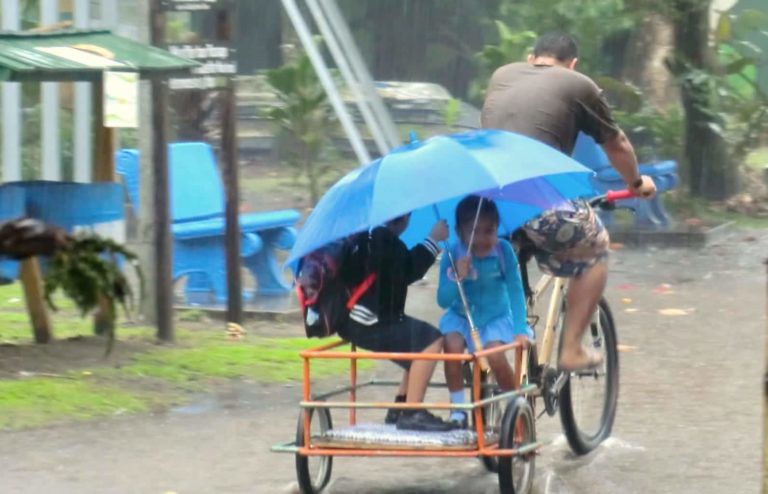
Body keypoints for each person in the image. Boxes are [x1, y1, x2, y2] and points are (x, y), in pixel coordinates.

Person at [481, 32, 657, 371]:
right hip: (538, 200)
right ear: (572, 64)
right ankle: (572, 348)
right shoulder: (578, 84)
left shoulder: (502, 76)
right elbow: (616, 143)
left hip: (488, 205)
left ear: (532, 59)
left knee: (502, 261)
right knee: (596, 247)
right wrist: (635, 183)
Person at [340, 213, 453, 432]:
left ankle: (399, 407)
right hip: (369, 321)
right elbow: (409, 269)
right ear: (402, 219)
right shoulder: (383, 239)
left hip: (354, 319)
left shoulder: (367, 237)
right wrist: (433, 239)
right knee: (431, 340)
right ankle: (412, 413)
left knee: (416, 341)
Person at [437, 196, 532, 428]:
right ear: (459, 232)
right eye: (473, 232)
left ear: (498, 229)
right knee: (452, 346)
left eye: (489, 231)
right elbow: (443, 300)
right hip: (461, 318)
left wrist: (520, 329)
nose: (481, 239)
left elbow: (516, 291)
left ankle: (515, 405)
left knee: (496, 354)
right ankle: (458, 410)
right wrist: (457, 276)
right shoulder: (451, 254)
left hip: (495, 318)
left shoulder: (503, 251)